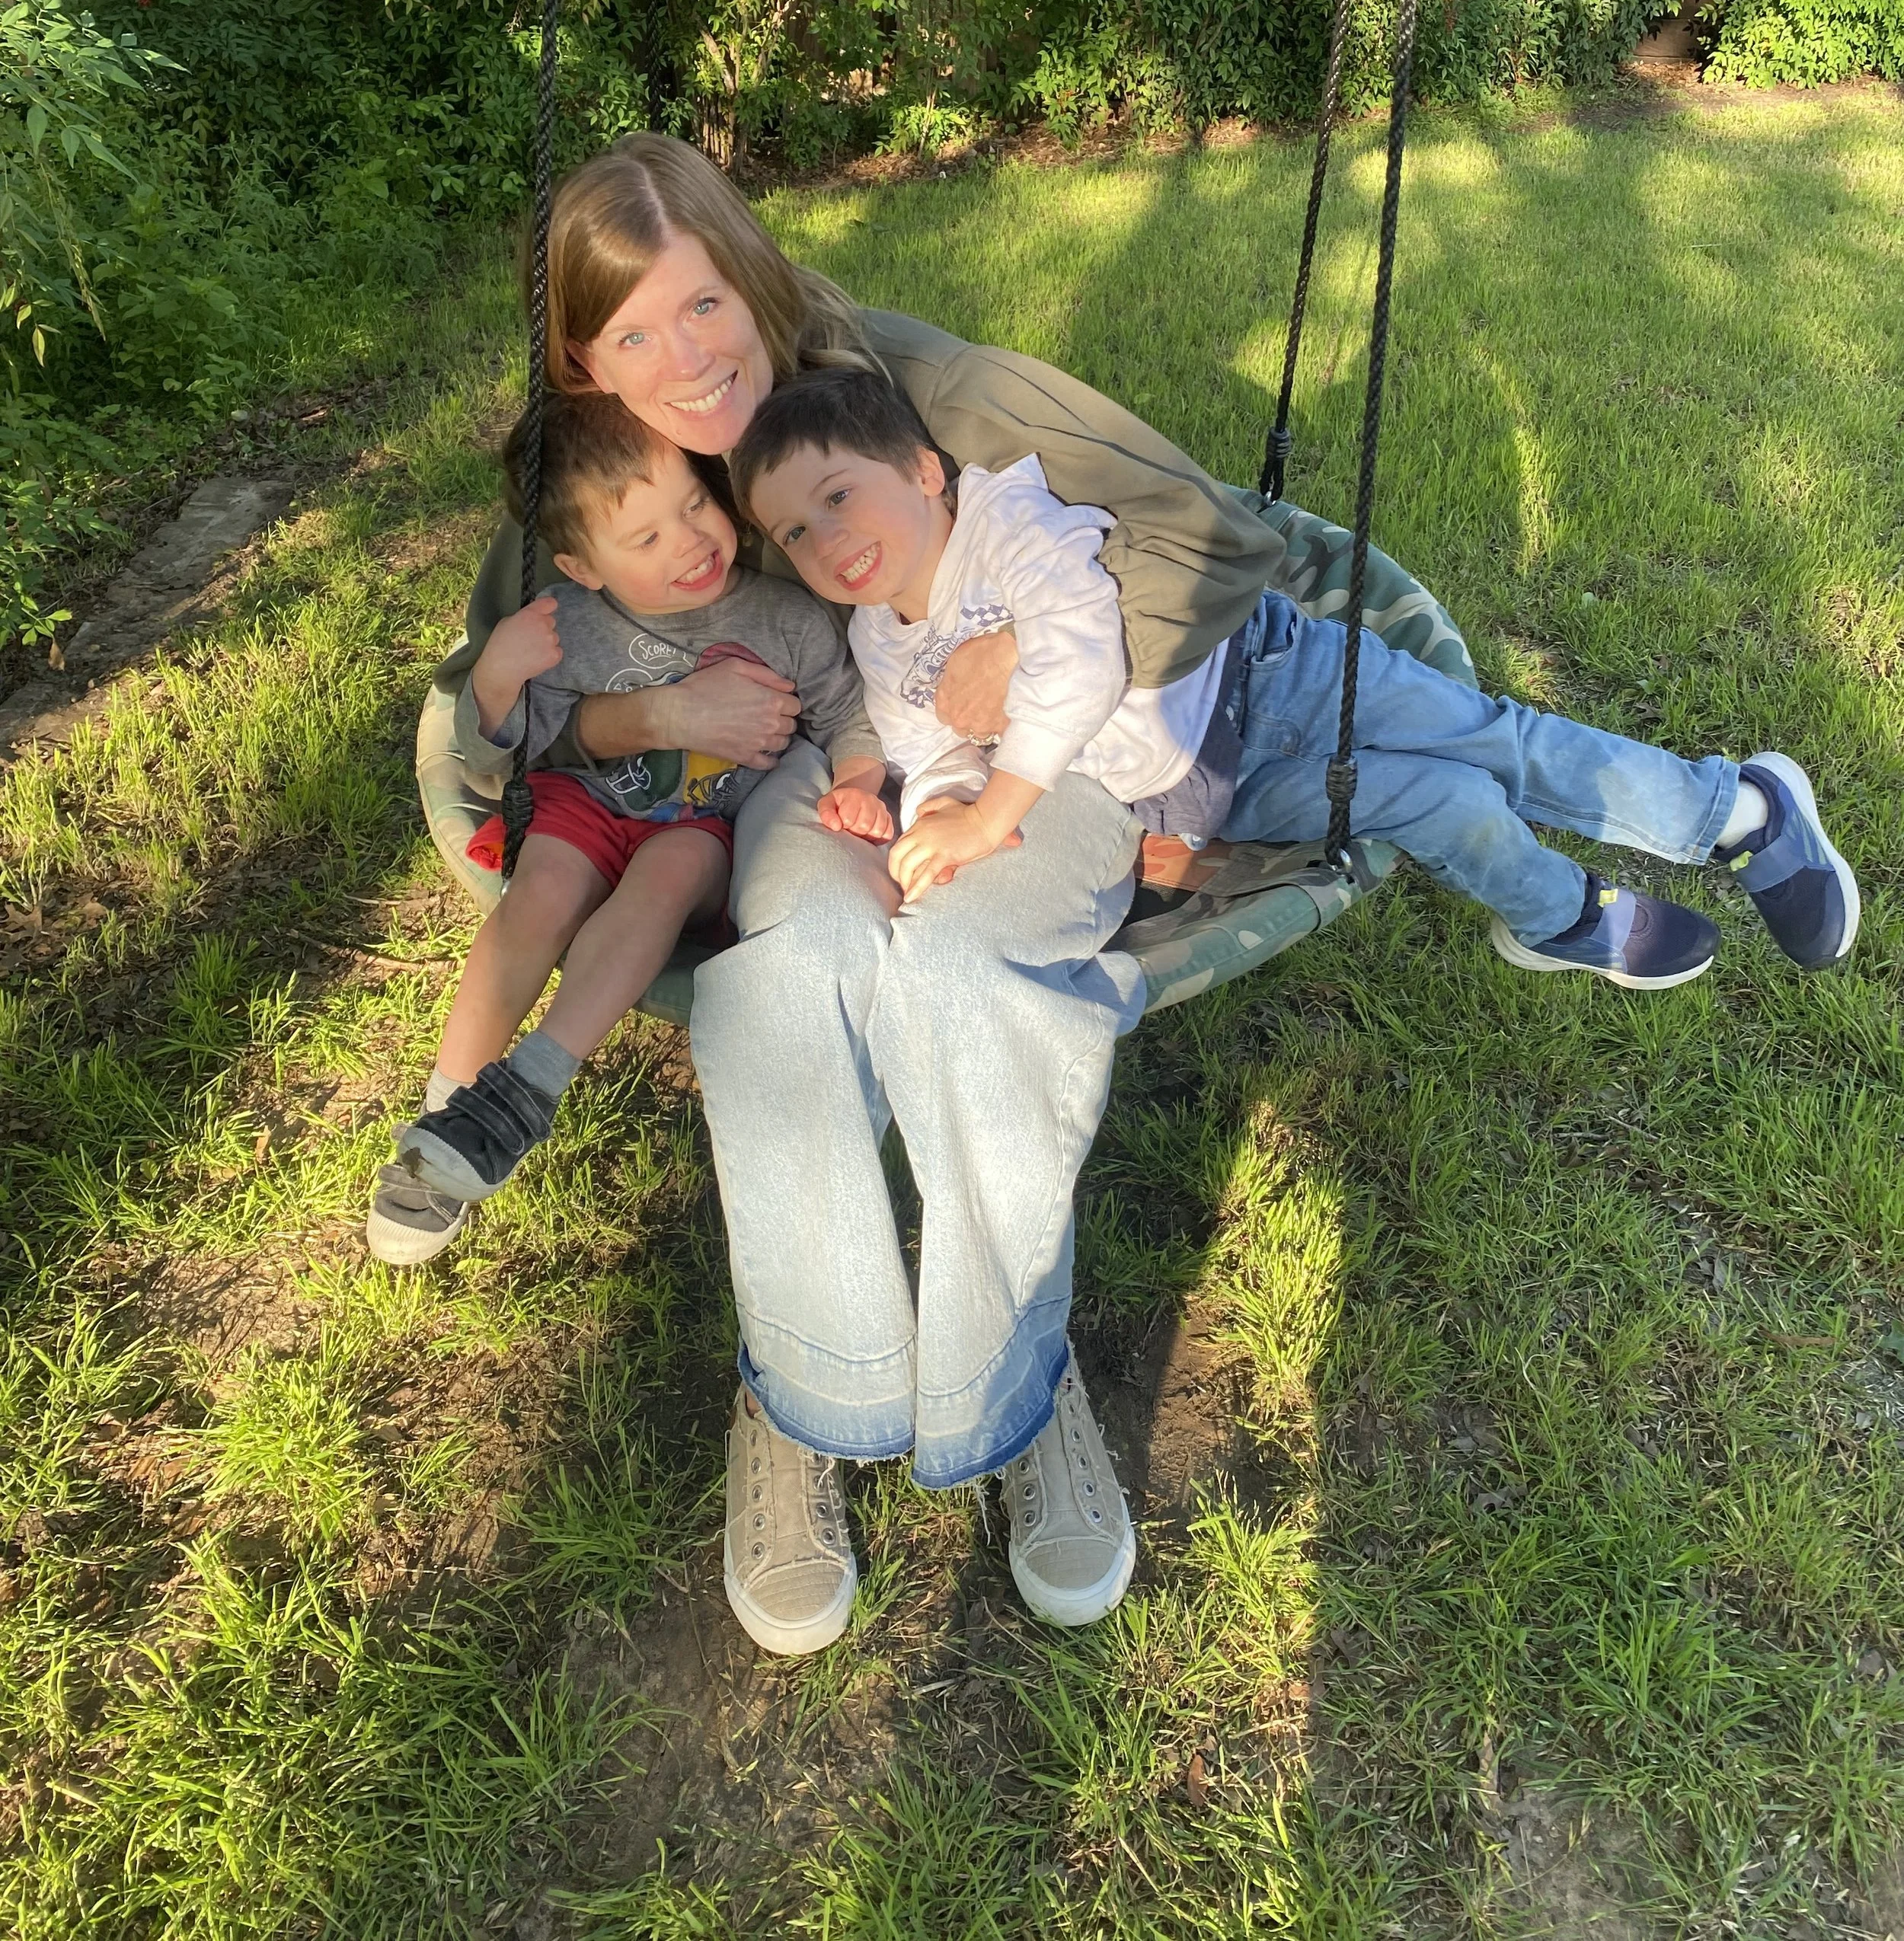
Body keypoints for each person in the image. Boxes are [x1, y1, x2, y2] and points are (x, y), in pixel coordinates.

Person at [385, 130, 1858, 1662]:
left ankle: (1014, 1392)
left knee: (970, 964)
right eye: (631, 333)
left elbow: (1214, 537)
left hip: (1062, 741)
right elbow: (506, 683)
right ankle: (805, 1392)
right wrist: (631, 726)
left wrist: (1013, 671)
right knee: (804, 953)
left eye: (701, 306)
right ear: (581, 354)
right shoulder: (603, 449)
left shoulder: (919, 396)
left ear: (749, 270)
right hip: (827, 772)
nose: (683, 362)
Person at [366, 391, 884, 1242]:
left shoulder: (784, 618)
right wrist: (497, 679)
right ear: (583, 566)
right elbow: (498, 768)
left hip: (703, 825)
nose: (690, 543)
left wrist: (860, 777)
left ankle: (534, 1078)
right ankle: (444, 1132)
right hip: (587, 800)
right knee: (538, 897)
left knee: (668, 872)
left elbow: (846, 714)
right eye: (645, 538)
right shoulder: (564, 623)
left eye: (693, 505)